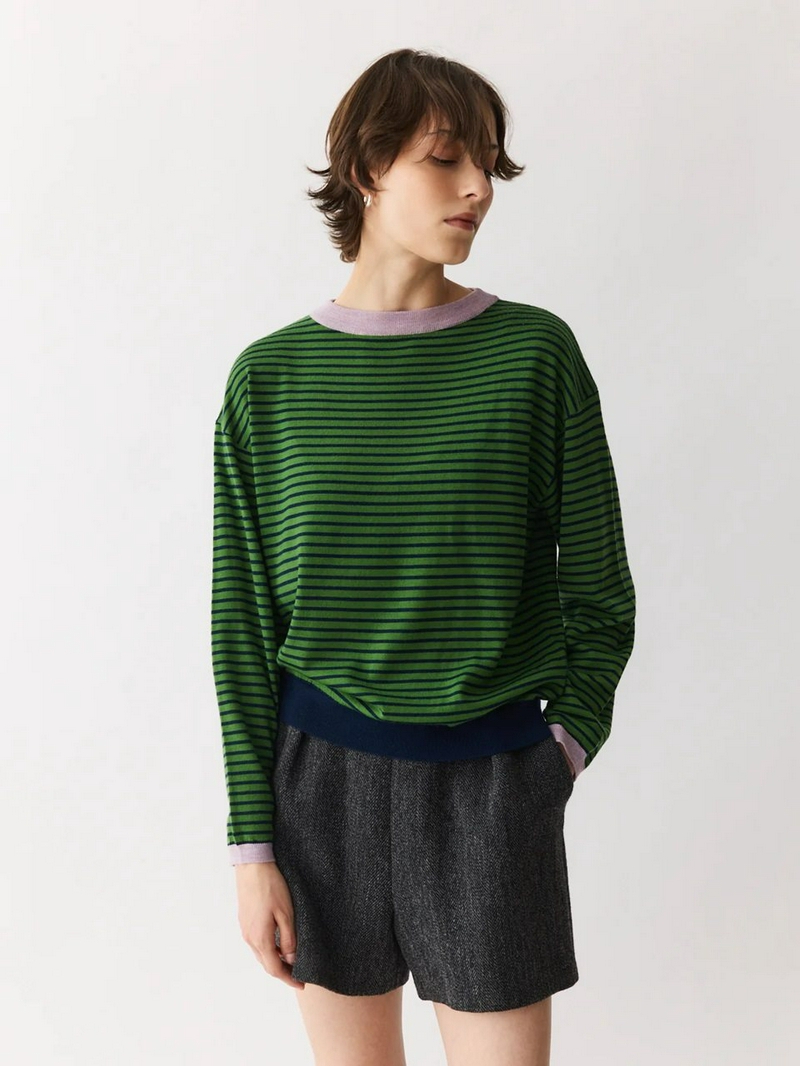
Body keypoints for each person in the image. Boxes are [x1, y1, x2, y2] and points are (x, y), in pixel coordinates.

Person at [211, 47, 636, 1066]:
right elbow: (243, 631)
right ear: (367, 168)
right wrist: (252, 846)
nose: (477, 187)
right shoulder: (271, 380)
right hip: (320, 788)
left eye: (486, 162)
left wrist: (555, 756)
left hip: (492, 781)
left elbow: (600, 594)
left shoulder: (532, 355)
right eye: (447, 158)